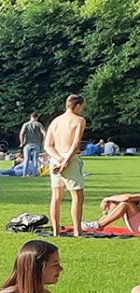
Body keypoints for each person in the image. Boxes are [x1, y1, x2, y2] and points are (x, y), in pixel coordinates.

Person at [45, 94, 87, 238]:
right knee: (77, 196)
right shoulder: (79, 120)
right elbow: (76, 143)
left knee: (56, 197)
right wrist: (66, 160)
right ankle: (77, 230)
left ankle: (56, 231)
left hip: (55, 160)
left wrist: (58, 159)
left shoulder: (55, 121)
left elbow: (47, 145)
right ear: (77, 105)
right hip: (70, 159)